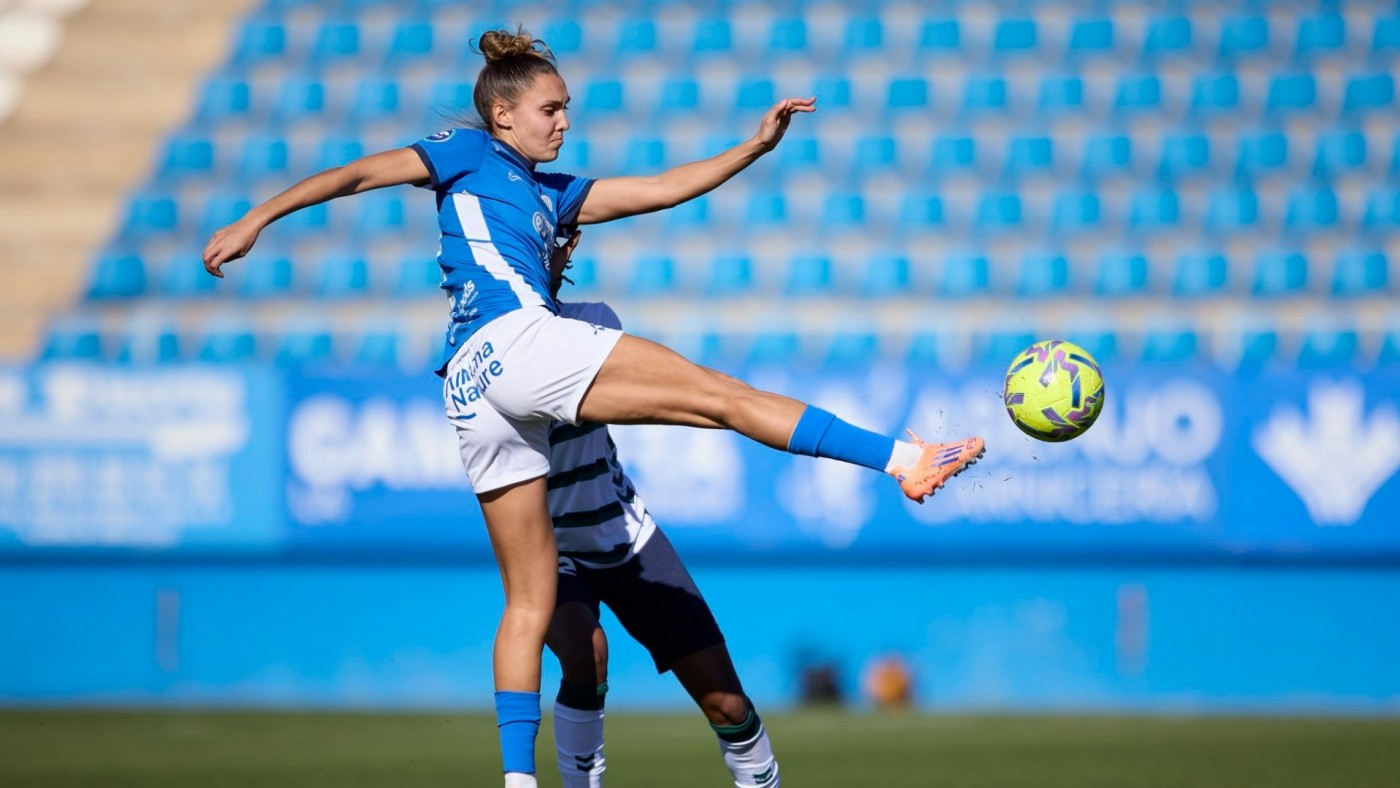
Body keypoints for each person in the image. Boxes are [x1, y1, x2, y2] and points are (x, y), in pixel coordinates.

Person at [202, 28, 984, 787]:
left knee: (527, 603)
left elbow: (661, 189)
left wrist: (752, 147)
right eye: (551, 109)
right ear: (502, 114)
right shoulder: (468, 149)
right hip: (513, 341)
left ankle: (519, 778)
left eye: (567, 109)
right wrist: (254, 220)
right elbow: (355, 175)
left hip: (470, 382)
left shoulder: (551, 194)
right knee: (721, 398)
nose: (564, 122)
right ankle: (903, 460)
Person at [544, 230, 779, 787]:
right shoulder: (478, 345)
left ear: (566, 249)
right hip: (544, 543)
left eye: (556, 238)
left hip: (625, 535)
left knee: (727, 704)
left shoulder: (593, 322)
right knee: (584, 653)